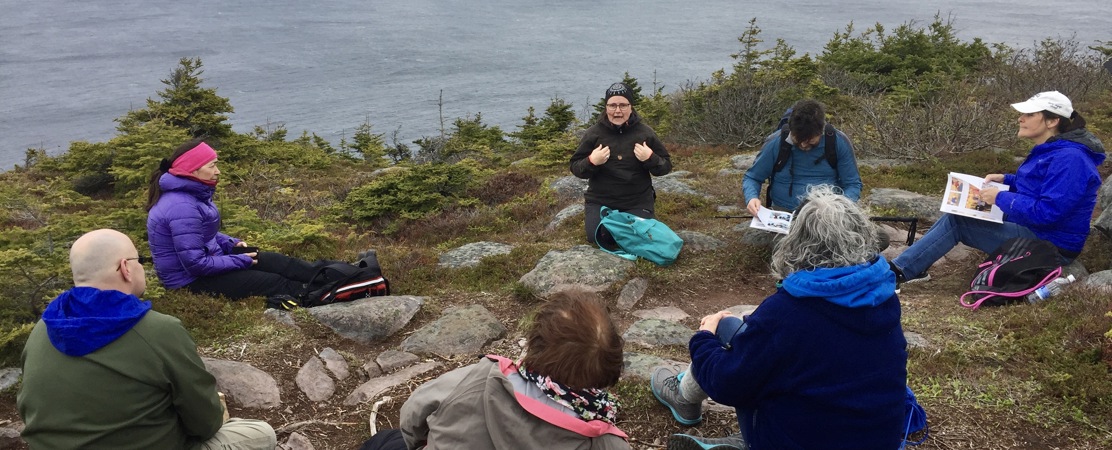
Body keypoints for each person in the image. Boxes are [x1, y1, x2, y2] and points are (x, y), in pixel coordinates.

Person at [651, 186, 908, 450]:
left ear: (798, 240)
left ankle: (688, 400)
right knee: (745, 335)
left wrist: (703, 337)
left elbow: (726, 384)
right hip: (881, 440)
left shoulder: (787, 312)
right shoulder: (882, 297)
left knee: (725, 328)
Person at [17, 229, 277, 449]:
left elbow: (28, 408)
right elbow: (205, 423)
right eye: (139, 260)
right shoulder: (158, 330)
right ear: (125, 268)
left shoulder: (42, 329)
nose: (142, 266)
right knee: (261, 433)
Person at [361, 291, 631, 450]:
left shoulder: (481, 378)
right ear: (609, 370)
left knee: (384, 441)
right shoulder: (604, 441)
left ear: (534, 345)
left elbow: (412, 415)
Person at [890, 91, 1105, 284]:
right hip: (1035, 229)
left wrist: (1000, 198)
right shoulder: (1056, 150)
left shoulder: (1070, 159)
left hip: (1051, 245)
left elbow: (1048, 212)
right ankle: (913, 266)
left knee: (958, 222)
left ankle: (897, 273)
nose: (1021, 118)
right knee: (959, 211)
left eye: (1030, 114)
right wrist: (1007, 180)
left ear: (1052, 121)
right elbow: (1040, 186)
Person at [146, 138, 370, 302]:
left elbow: (202, 234)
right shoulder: (181, 205)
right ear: (192, 171)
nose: (218, 171)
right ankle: (344, 292)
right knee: (274, 282)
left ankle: (351, 274)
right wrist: (240, 261)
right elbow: (195, 264)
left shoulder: (191, 195)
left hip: (211, 261)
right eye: (212, 165)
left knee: (280, 262)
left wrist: (231, 243)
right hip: (189, 282)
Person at [570, 82, 672, 247]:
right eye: (612, 105)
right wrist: (591, 161)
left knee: (639, 235)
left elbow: (666, 166)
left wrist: (650, 158)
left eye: (623, 105)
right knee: (598, 237)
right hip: (600, 201)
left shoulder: (645, 133)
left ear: (631, 107)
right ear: (606, 107)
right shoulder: (594, 134)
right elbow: (575, 167)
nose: (617, 111)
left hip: (637, 201)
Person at [742, 99, 862, 215]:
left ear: (821, 131)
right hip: (783, 213)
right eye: (797, 139)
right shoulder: (776, 142)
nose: (803, 145)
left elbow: (852, 184)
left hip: (826, 215)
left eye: (809, 140)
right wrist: (752, 198)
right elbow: (752, 177)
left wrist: (840, 209)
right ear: (791, 129)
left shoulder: (838, 142)